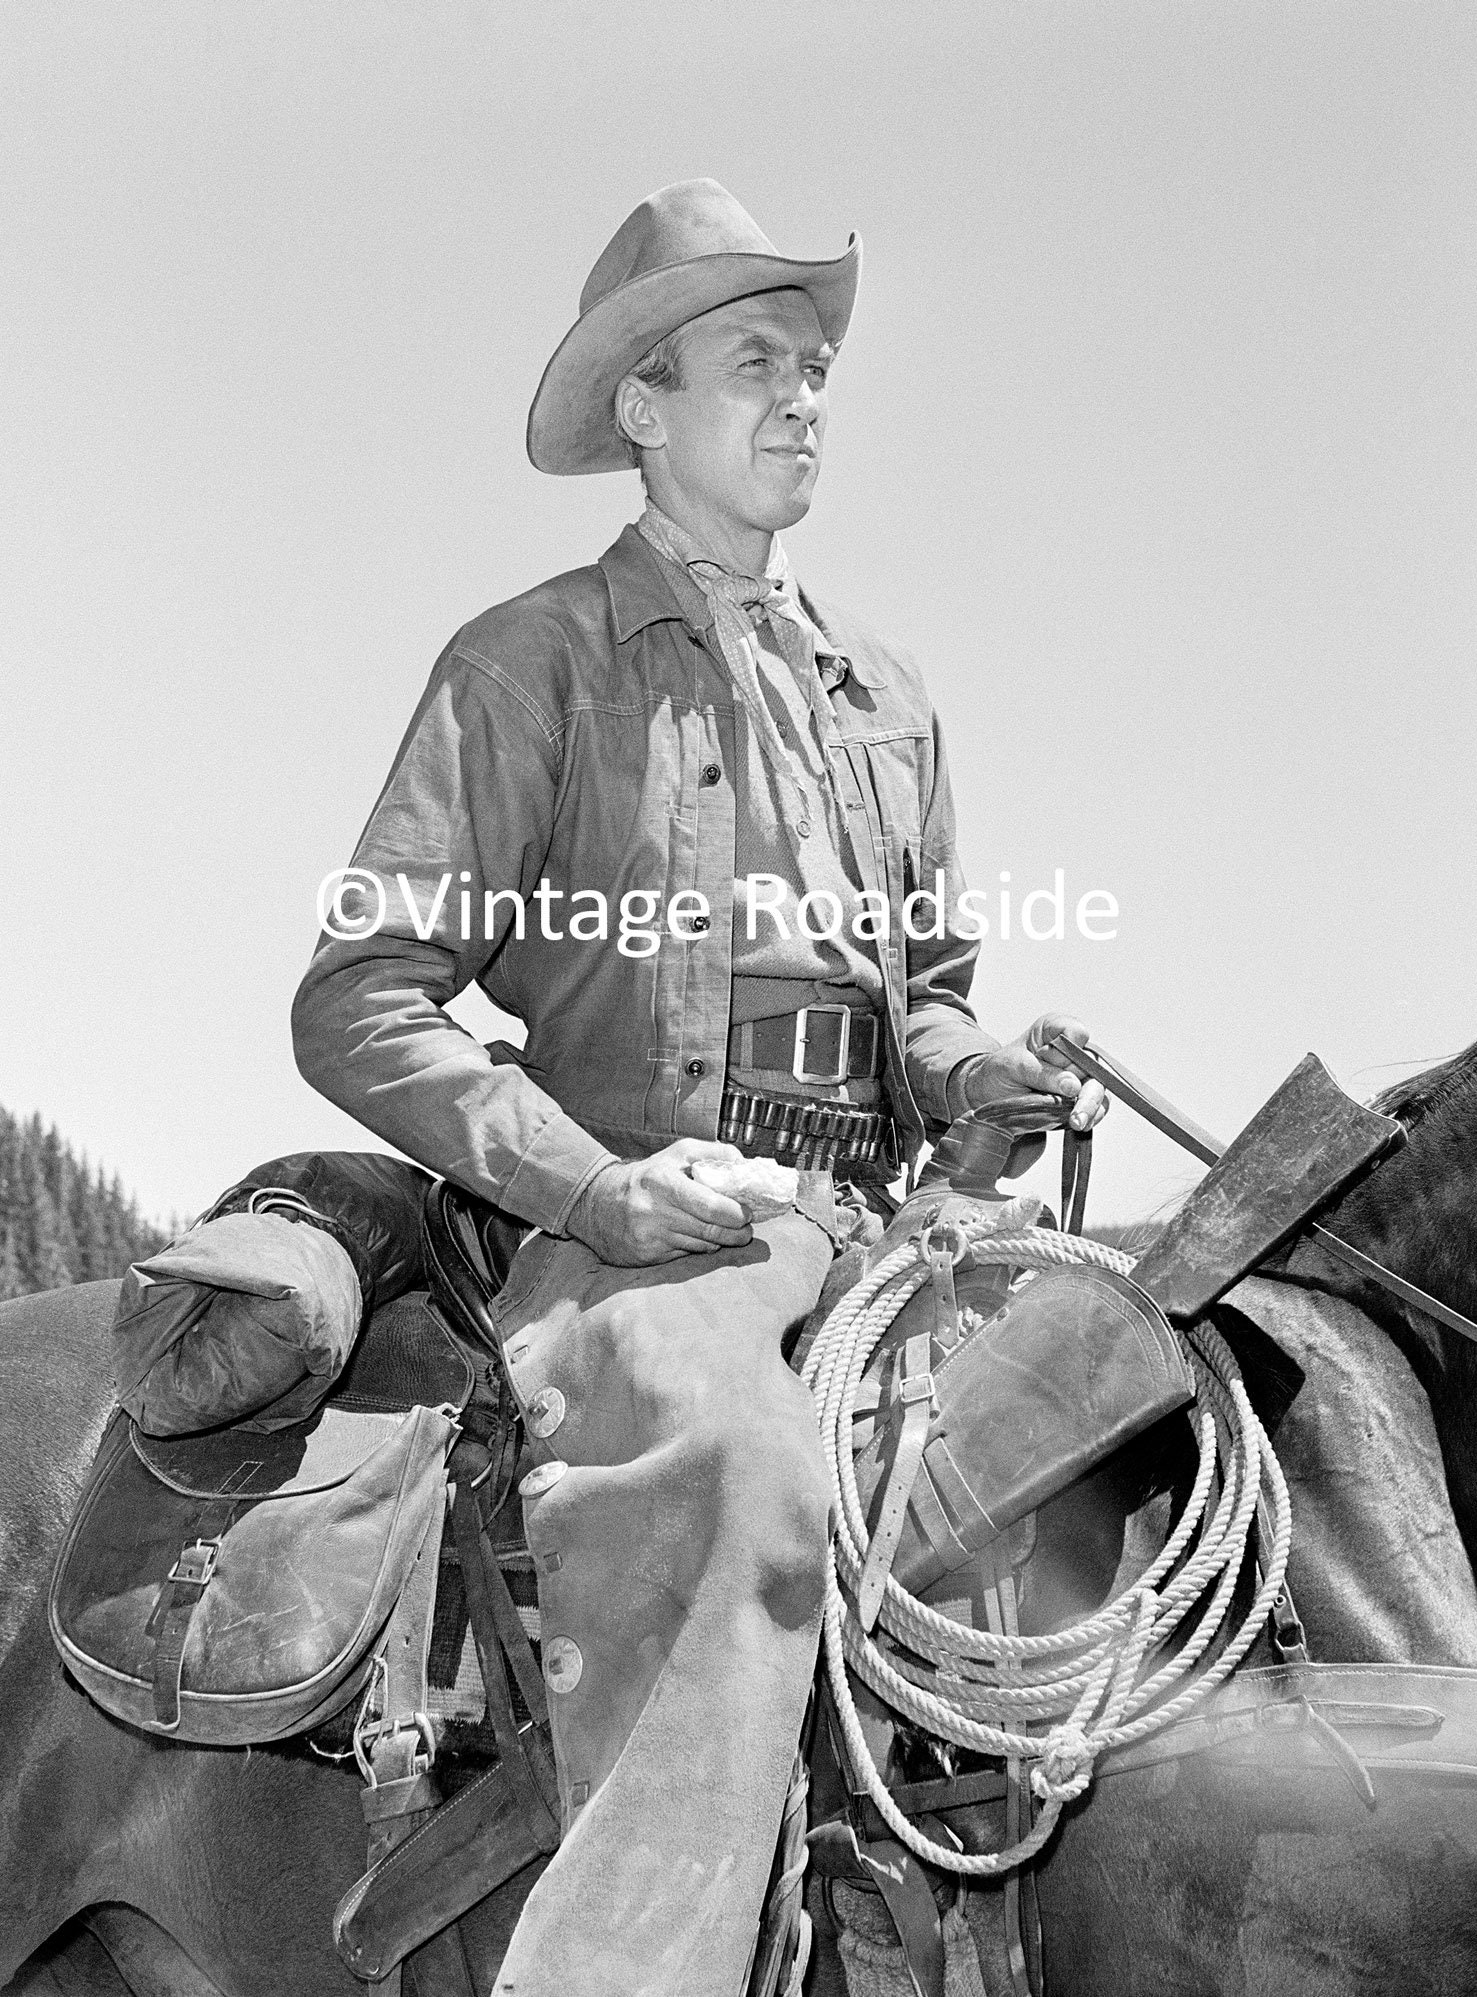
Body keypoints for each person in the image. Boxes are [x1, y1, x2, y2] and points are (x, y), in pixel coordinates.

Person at [292, 178, 1106, 1997]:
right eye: (759, 361)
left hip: (878, 1225)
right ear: (646, 408)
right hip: (639, 1238)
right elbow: (359, 997)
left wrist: (985, 1075)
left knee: (1135, 1408)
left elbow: (926, 1003)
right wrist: (599, 1188)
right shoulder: (529, 665)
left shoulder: (889, 697)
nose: (806, 393)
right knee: (739, 1474)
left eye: (816, 365)